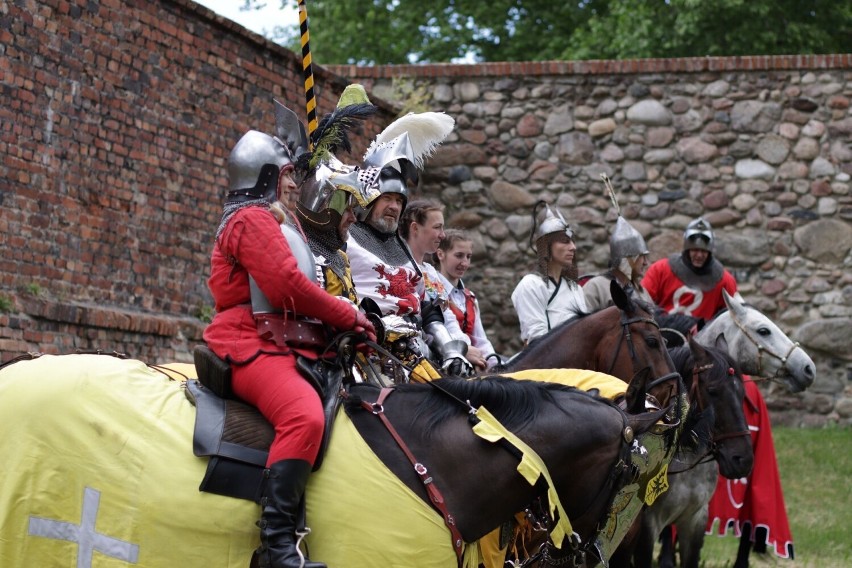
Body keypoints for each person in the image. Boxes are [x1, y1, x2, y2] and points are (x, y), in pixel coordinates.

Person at [202, 101, 375, 568]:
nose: (296, 182)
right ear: (265, 176)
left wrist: (339, 330)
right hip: (249, 345)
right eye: (287, 174)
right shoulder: (251, 220)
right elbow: (285, 287)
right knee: (304, 417)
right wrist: (345, 315)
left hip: (282, 342)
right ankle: (277, 546)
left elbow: (295, 296)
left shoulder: (278, 221)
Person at [347, 111, 472, 378]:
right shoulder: (346, 239)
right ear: (369, 199)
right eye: (387, 198)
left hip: (417, 355)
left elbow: (428, 310)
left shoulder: (401, 249)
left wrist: (450, 348)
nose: (394, 206)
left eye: (399, 201)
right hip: (367, 354)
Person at [398, 199, 474, 373]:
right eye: (437, 227)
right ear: (415, 228)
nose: (443, 235)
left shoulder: (430, 272)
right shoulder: (398, 269)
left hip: (447, 356)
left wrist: (463, 348)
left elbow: (447, 316)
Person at [511, 200, 588, 345]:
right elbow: (537, 343)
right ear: (546, 246)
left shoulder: (576, 289)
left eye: (572, 241)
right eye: (565, 241)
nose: (573, 247)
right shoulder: (531, 285)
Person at [642, 217, 739, 321]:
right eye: (695, 250)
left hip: (702, 336)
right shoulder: (660, 269)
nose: (699, 255)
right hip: (662, 333)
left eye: (704, 251)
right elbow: (642, 304)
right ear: (687, 249)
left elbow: (733, 317)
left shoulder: (725, 281)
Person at [434, 229, 498, 371]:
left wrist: (496, 366)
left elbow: (480, 339)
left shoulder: (470, 298)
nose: (465, 263)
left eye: (468, 257)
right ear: (440, 254)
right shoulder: (432, 291)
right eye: (459, 256)